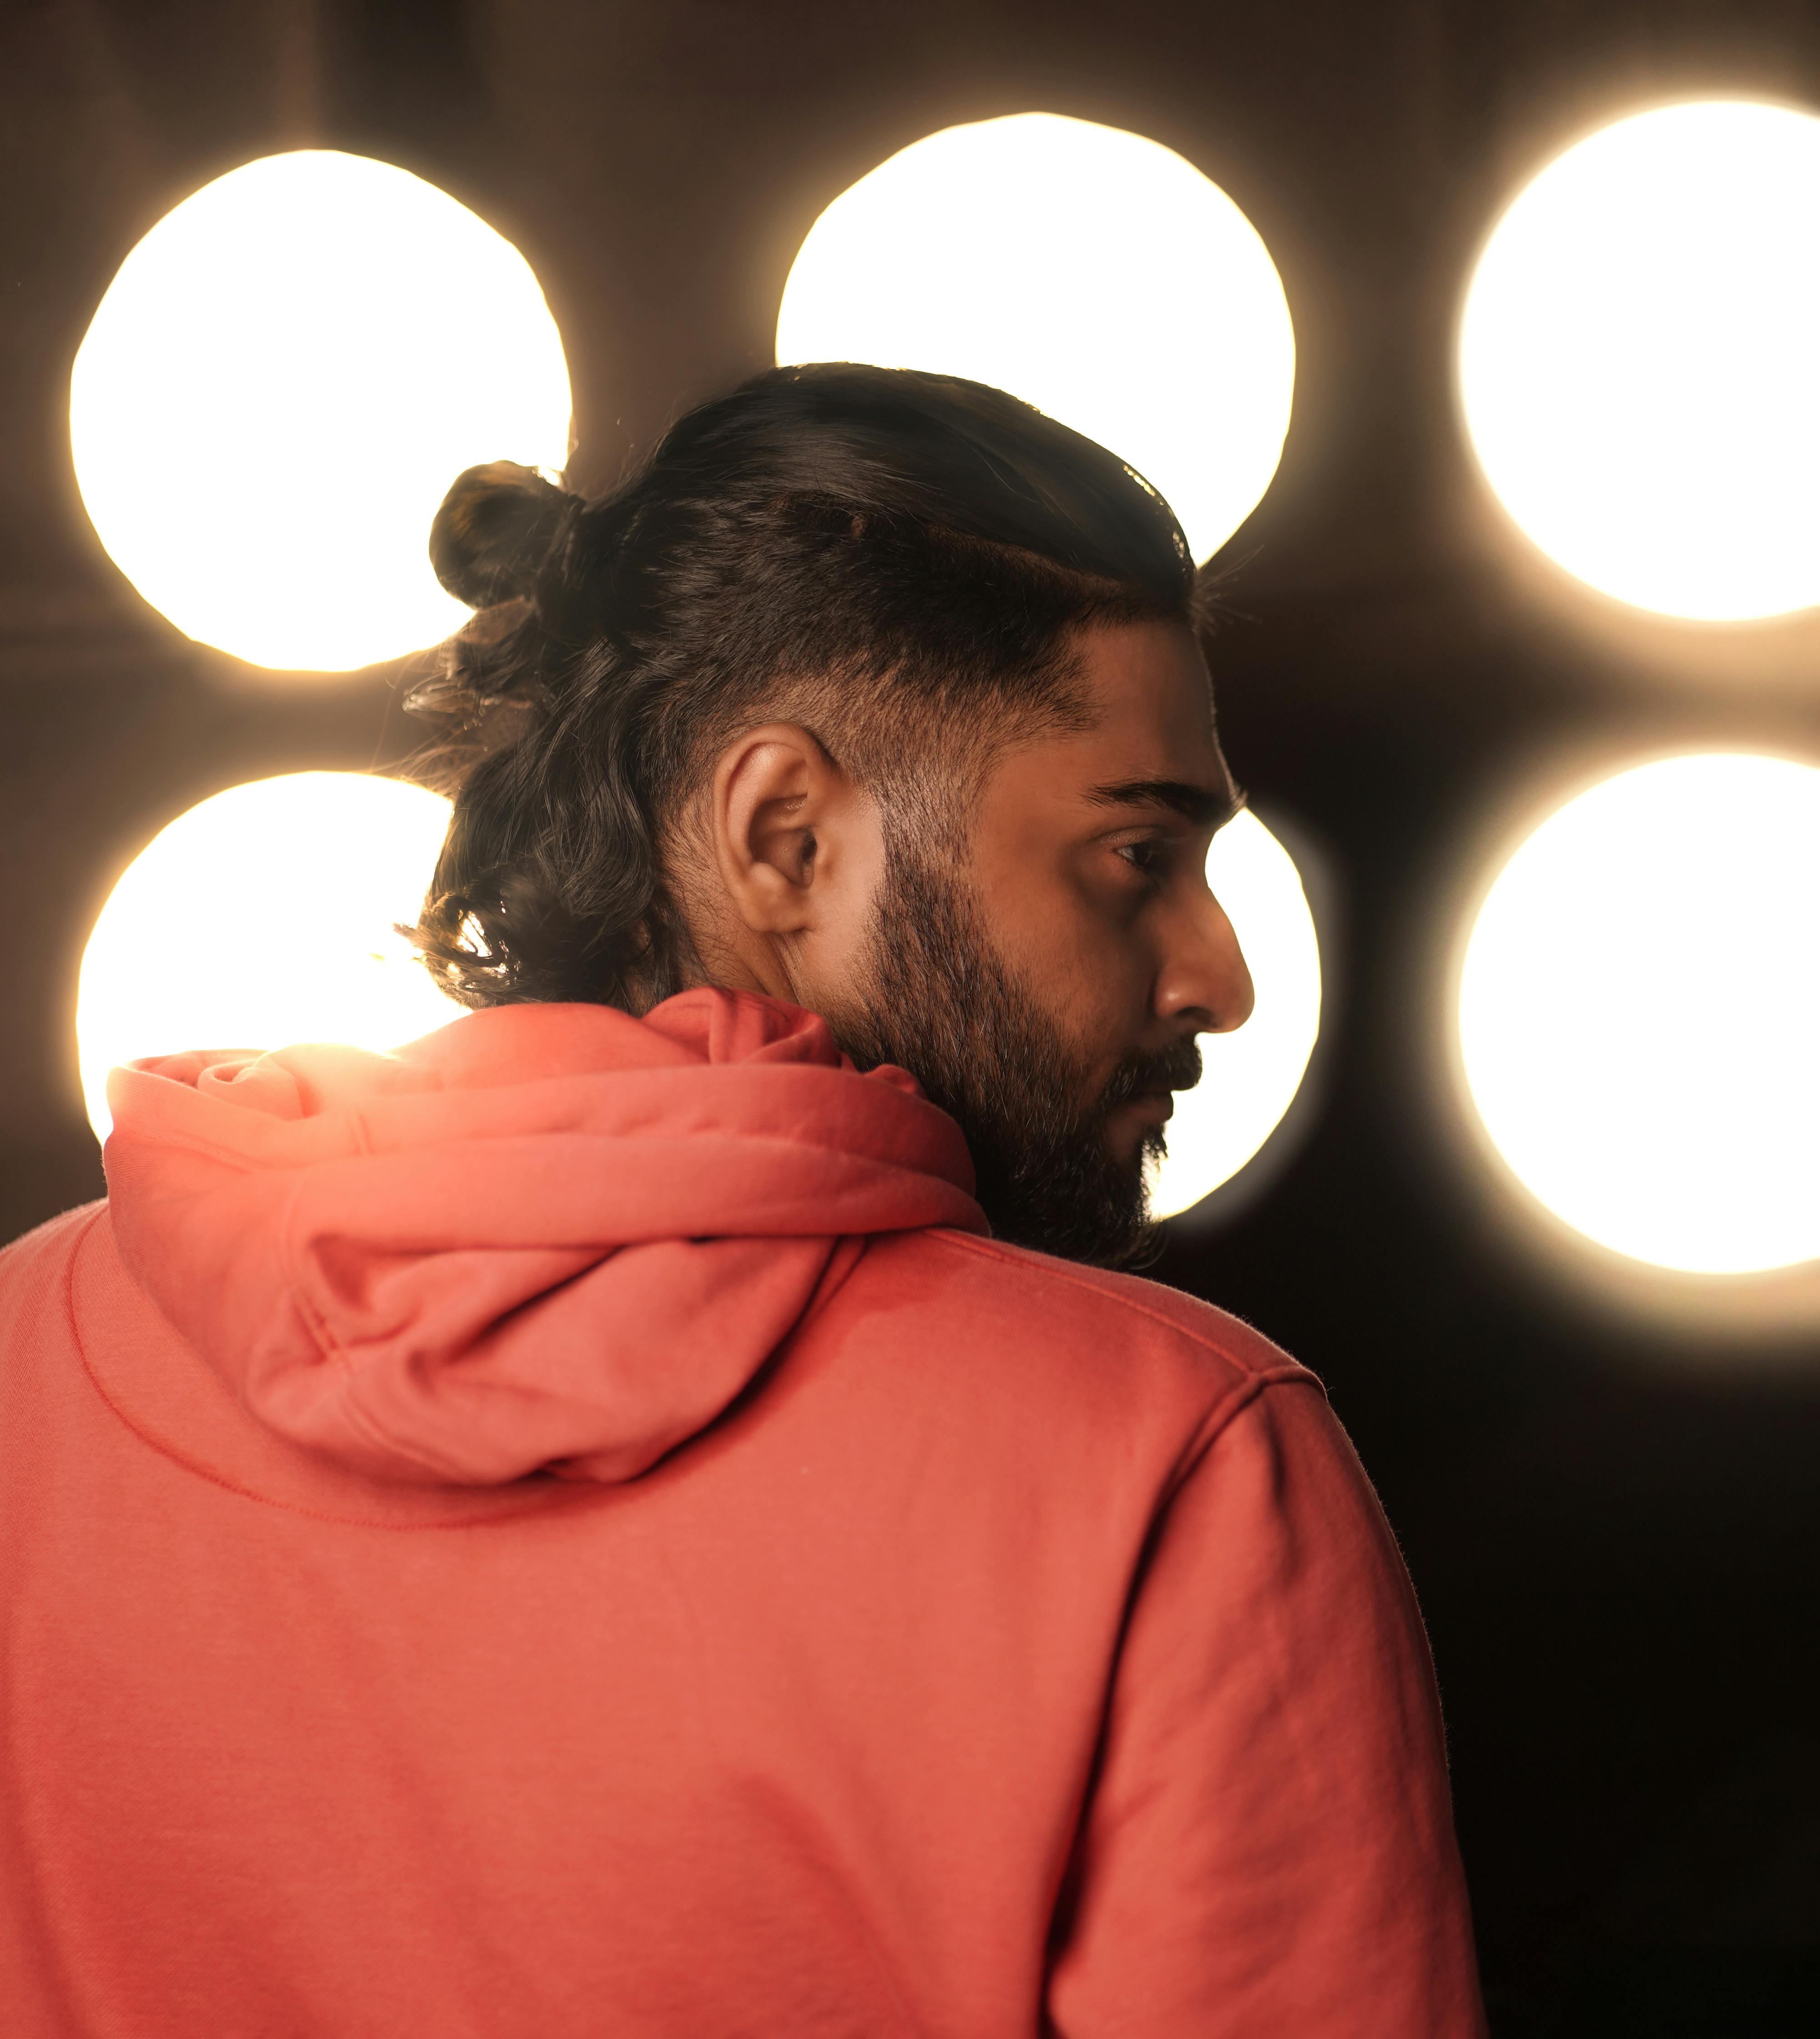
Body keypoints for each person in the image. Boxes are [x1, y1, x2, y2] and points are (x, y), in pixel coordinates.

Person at [0, 364, 1485, 2035]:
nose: (1223, 976)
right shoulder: (1175, 1459)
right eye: (1140, 853)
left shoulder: (26, 1364)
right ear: (785, 836)